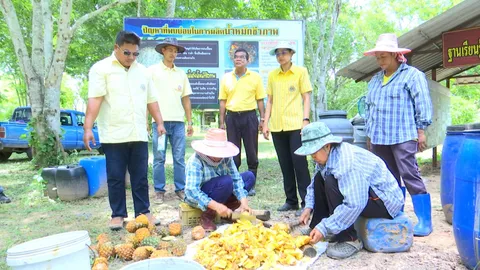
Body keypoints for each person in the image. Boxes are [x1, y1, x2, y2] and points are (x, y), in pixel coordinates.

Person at [84, 31, 166, 230]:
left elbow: (151, 100)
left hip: (138, 132)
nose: (131, 58)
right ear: (116, 48)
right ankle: (118, 214)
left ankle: (143, 212)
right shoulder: (100, 69)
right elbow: (95, 99)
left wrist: (160, 122)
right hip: (113, 134)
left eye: (135, 54)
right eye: (127, 53)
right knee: (115, 176)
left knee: (140, 176)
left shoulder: (144, 72)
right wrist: (87, 127)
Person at [296, 122, 404, 259]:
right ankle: (317, 226)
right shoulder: (327, 156)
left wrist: (325, 227)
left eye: (314, 152)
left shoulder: (347, 162)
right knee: (320, 177)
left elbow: (355, 203)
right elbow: (314, 184)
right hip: (367, 195)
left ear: (327, 145)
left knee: (331, 181)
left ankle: (350, 239)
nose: (312, 156)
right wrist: (308, 207)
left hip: (385, 201)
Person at [363, 33, 433, 236]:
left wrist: (421, 130)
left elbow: (422, 104)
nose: (380, 61)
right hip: (379, 137)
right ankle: (397, 214)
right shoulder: (375, 80)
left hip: (403, 135)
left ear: (395, 55)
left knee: (409, 174)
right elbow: (369, 109)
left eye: (383, 56)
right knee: (388, 178)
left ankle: (424, 221)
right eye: (377, 57)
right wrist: (370, 135)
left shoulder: (412, 75)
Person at [262, 41, 311, 216]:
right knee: (285, 164)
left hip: (296, 125)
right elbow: (270, 101)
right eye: (278, 53)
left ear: (291, 54)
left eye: (284, 52)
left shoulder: (300, 72)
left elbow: (306, 97)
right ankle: (291, 201)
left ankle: (307, 202)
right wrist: (265, 123)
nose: (280, 56)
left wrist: (305, 120)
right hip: (277, 126)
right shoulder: (273, 75)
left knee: (300, 164)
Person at [149, 38, 193, 204]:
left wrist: (189, 122)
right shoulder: (152, 71)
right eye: (170, 50)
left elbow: (186, 99)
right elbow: (148, 98)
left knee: (179, 158)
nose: (173, 54)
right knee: (159, 157)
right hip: (159, 123)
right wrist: (149, 120)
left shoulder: (181, 74)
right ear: (163, 51)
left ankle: (180, 189)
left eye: (175, 51)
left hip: (178, 124)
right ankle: (159, 190)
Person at [184, 128, 256, 231]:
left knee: (249, 176)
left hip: (223, 190)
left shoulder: (226, 158)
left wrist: (244, 203)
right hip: (205, 195)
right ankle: (207, 216)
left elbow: (236, 179)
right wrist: (216, 206)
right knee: (226, 181)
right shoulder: (196, 161)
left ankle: (230, 210)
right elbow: (191, 191)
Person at [219, 48, 265, 196]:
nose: (238, 59)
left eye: (241, 57)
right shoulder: (226, 77)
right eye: (236, 57)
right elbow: (222, 101)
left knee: (252, 152)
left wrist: (262, 119)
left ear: (247, 60)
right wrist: (221, 121)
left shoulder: (255, 77)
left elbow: (260, 100)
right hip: (232, 118)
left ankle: (250, 185)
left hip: (250, 117)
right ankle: (234, 184)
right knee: (233, 153)